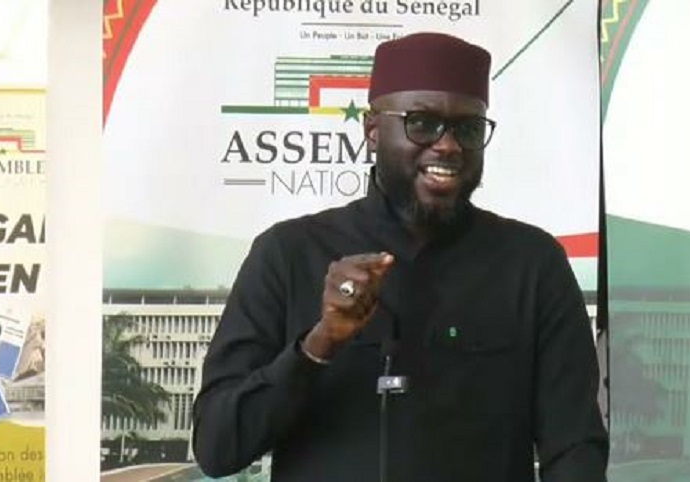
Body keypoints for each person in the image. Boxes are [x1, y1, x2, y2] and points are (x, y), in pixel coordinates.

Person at [192, 32, 608, 482]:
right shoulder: (288, 253)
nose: (448, 145)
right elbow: (218, 446)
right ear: (372, 131)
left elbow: (574, 448)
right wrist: (320, 343)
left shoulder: (533, 264)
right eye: (422, 123)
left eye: (468, 128)